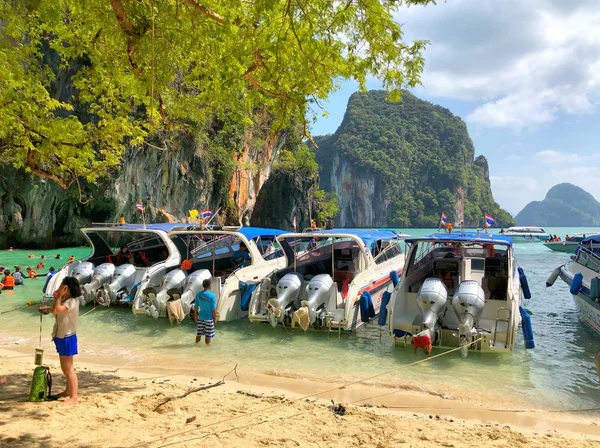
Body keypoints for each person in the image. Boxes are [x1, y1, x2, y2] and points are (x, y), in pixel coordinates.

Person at [39, 277, 81, 404]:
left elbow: (57, 309)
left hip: (67, 337)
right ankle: (68, 391)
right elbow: (55, 310)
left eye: (62, 285)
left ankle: (74, 397)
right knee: (65, 368)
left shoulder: (71, 302)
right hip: (61, 335)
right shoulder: (65, 299)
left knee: (68, 368)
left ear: (67, 288)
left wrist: (59, 295)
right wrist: (47, 308)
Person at [194, 279, 217, 345]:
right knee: (208, 336)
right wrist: (215, 318)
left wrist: (195, 316)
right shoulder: (212, 296)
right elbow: (213, 309)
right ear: (209, 285)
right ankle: (207, 349)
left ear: (203, 285)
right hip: (208, 319)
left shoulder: (198, 294)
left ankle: (195, 346)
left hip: (200, 318)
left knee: (199, 334)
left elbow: (196, 306)